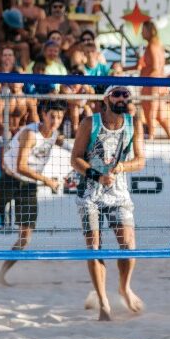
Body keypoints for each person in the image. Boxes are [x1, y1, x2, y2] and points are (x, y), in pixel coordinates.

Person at [70, 86, 146, 322]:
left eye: (126, 95)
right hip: (90, 192)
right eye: (117, 95)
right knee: (94, 247)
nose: (123, 98)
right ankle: (103, 301)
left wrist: (123, 166)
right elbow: (75, 159)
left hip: (118, 191)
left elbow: (140, 160)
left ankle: (124, 287)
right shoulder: (89, 123)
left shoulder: (133, 123)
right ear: (106, 99)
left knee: (128, 244)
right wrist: (96, 175)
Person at [0, 100, 67, 286]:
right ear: (43, 115)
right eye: (52, 116)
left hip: (29, 186)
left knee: (25, 238)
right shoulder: (30, 134)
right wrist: (47, 180)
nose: (55, 120)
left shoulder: (55, 135)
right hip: (11, 179)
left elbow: (60, 150)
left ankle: (1, 275)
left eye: (59, 117)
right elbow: (21, 166)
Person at [136, 20, 170, 139]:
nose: (141, 33)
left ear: (149, 31)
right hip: (160, 83)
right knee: (161, 116)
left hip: (153, 84)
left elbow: (156, 68)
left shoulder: (152, 46)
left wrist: (143, 80)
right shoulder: (157, 45)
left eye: (143, 30)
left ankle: (151, 138)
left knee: (150, 113)